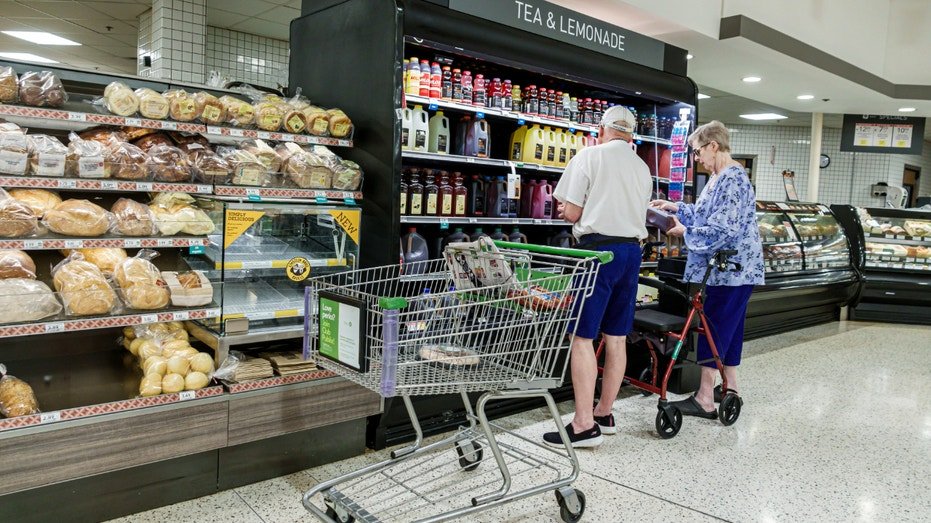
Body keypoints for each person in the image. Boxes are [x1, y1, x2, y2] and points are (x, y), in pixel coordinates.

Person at [543, 105, 652, 448]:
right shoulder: (642, 166)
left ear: (601, 130)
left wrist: (567, 210)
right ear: (630, 134)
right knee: (617, 337)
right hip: (631, 253)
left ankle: (583, 424)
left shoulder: (589, 157)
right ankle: (604, 413)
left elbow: (572, 210)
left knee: (582, 338)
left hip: (597, 253)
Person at [650, 120, 764, 418]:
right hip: (729, 269)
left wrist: (684, 231)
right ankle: (731, 388)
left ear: (714, 146)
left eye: (698, 151)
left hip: (731, 268)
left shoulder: (732, 179)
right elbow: (706, 213)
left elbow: (723, 228)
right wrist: (675, 208)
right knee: (730, 329)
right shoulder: (719, 177)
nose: (696, 158)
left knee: (715, 328)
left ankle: (704, 397)